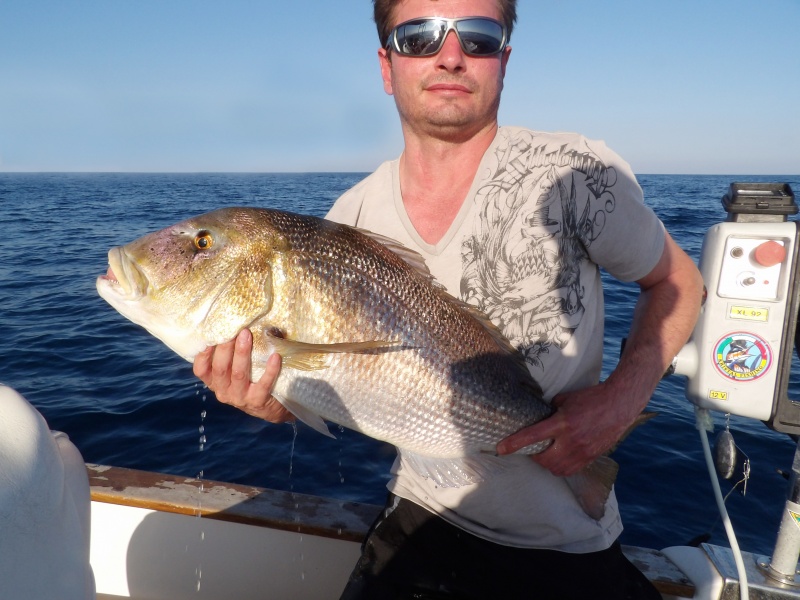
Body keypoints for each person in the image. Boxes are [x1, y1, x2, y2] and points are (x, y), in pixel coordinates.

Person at [194, 0, 704, 597]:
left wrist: (622, 399)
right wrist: (264, 395)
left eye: (480, 37)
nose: (452, 55)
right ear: (387, 67)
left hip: (566, 544)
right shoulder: (348, 222)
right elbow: (321, 388)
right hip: (419, 524)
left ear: (503, 62)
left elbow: (678, 282)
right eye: (419, 37)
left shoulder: (575, 174)